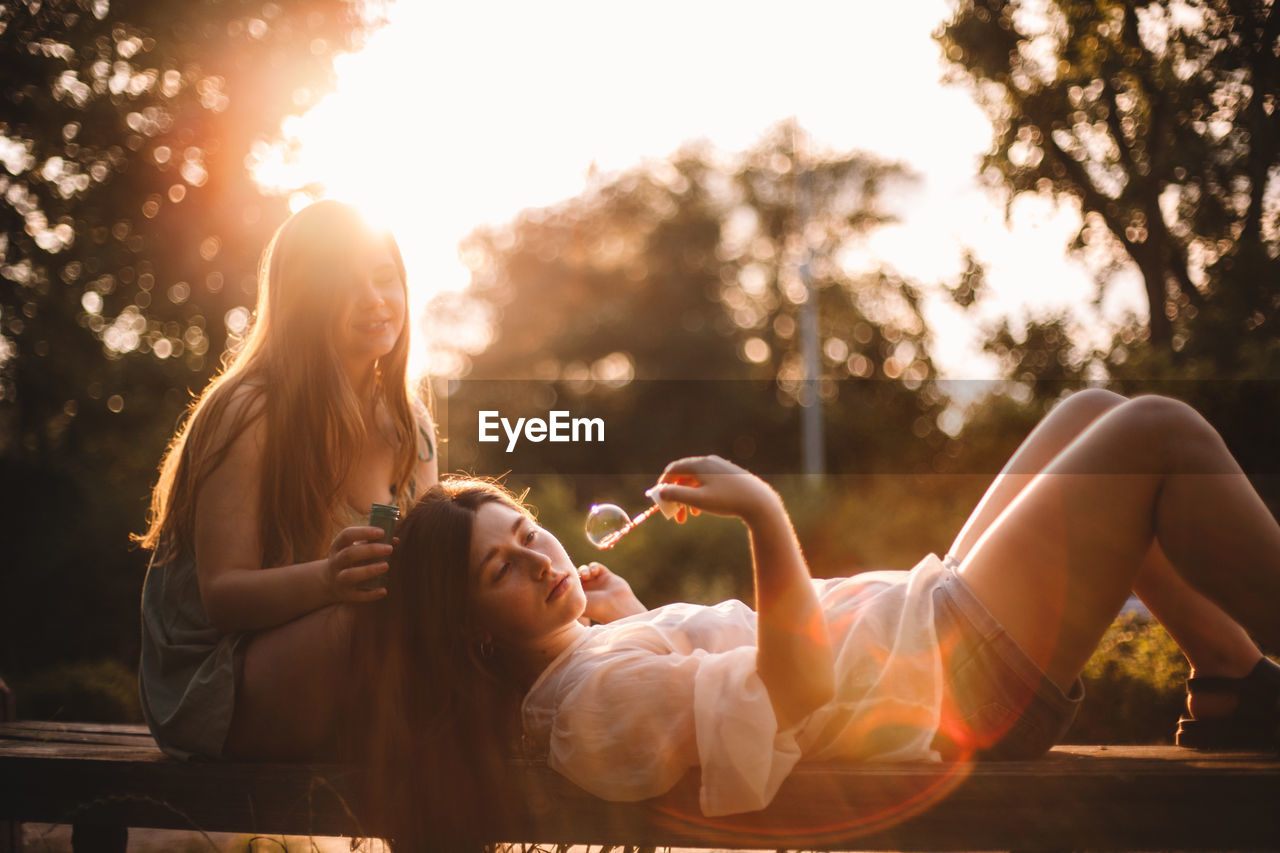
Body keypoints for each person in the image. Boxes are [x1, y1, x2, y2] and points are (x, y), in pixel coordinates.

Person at [350, 389, 1279, 849]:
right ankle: (1241, 676)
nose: (539, 558)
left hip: (924, 637)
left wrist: (626, 613)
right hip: (949, 684)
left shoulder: (590, 659)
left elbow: (681, 674)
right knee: (1153, 434)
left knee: (1094, 411)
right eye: (501, 571)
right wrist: (759, 507)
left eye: (527, 532)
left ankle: (1232, 680)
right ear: (472, 630)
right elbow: (794, 685)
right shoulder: (591, 699)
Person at [136, 199, 437, 761]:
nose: (374, 301)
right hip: (214, 676)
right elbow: (223, 597)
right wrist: (331, 580)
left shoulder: (409, 424)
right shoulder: (249, 410)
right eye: (345, 286)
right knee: (368, 631)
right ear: (304, 298)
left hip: (331, 649)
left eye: (384, 278)